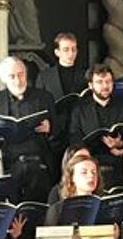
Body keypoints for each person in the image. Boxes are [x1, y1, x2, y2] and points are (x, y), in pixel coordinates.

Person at [0, 56, 58, 203]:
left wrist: (50, 128)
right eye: (12, 76)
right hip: (7, 164)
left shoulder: (44, 97)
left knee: (38, 210)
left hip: (38, 163)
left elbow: (58, 131)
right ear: (4, 78)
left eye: (21, 74)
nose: (18, 80)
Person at [69, 64, 123, 192]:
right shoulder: (79, 109)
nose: (105, 86)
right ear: (90, 85)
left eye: (108, 81)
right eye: (100, 82)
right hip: (91, 161)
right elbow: (74, 137)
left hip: (119, 163)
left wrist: (120, 144)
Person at [35, 32, 87, 162]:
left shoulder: (86, 75)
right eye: (66, 49)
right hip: (54, 131)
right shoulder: (45, 76)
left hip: (79, 130)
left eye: (73, 49)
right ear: (57, 52)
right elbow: (38, 104)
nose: (70, 53)